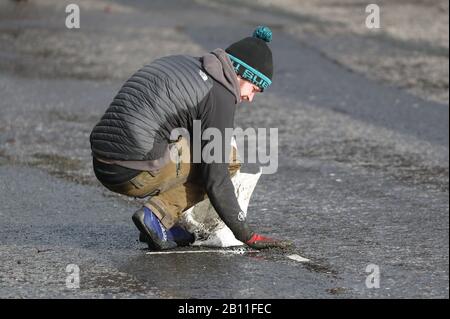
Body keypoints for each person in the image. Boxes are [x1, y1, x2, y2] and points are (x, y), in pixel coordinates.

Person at [89, 26, 292, 250]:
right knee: (228, 160)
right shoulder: (220, 94)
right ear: (241, 74)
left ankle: (162, 223)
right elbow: (217, 178)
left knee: (199, 148)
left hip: (101, 161)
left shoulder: (187, 64)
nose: (250, 98)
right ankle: (156, 216)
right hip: (129, 173)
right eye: (254, 88)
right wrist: (246, 234)